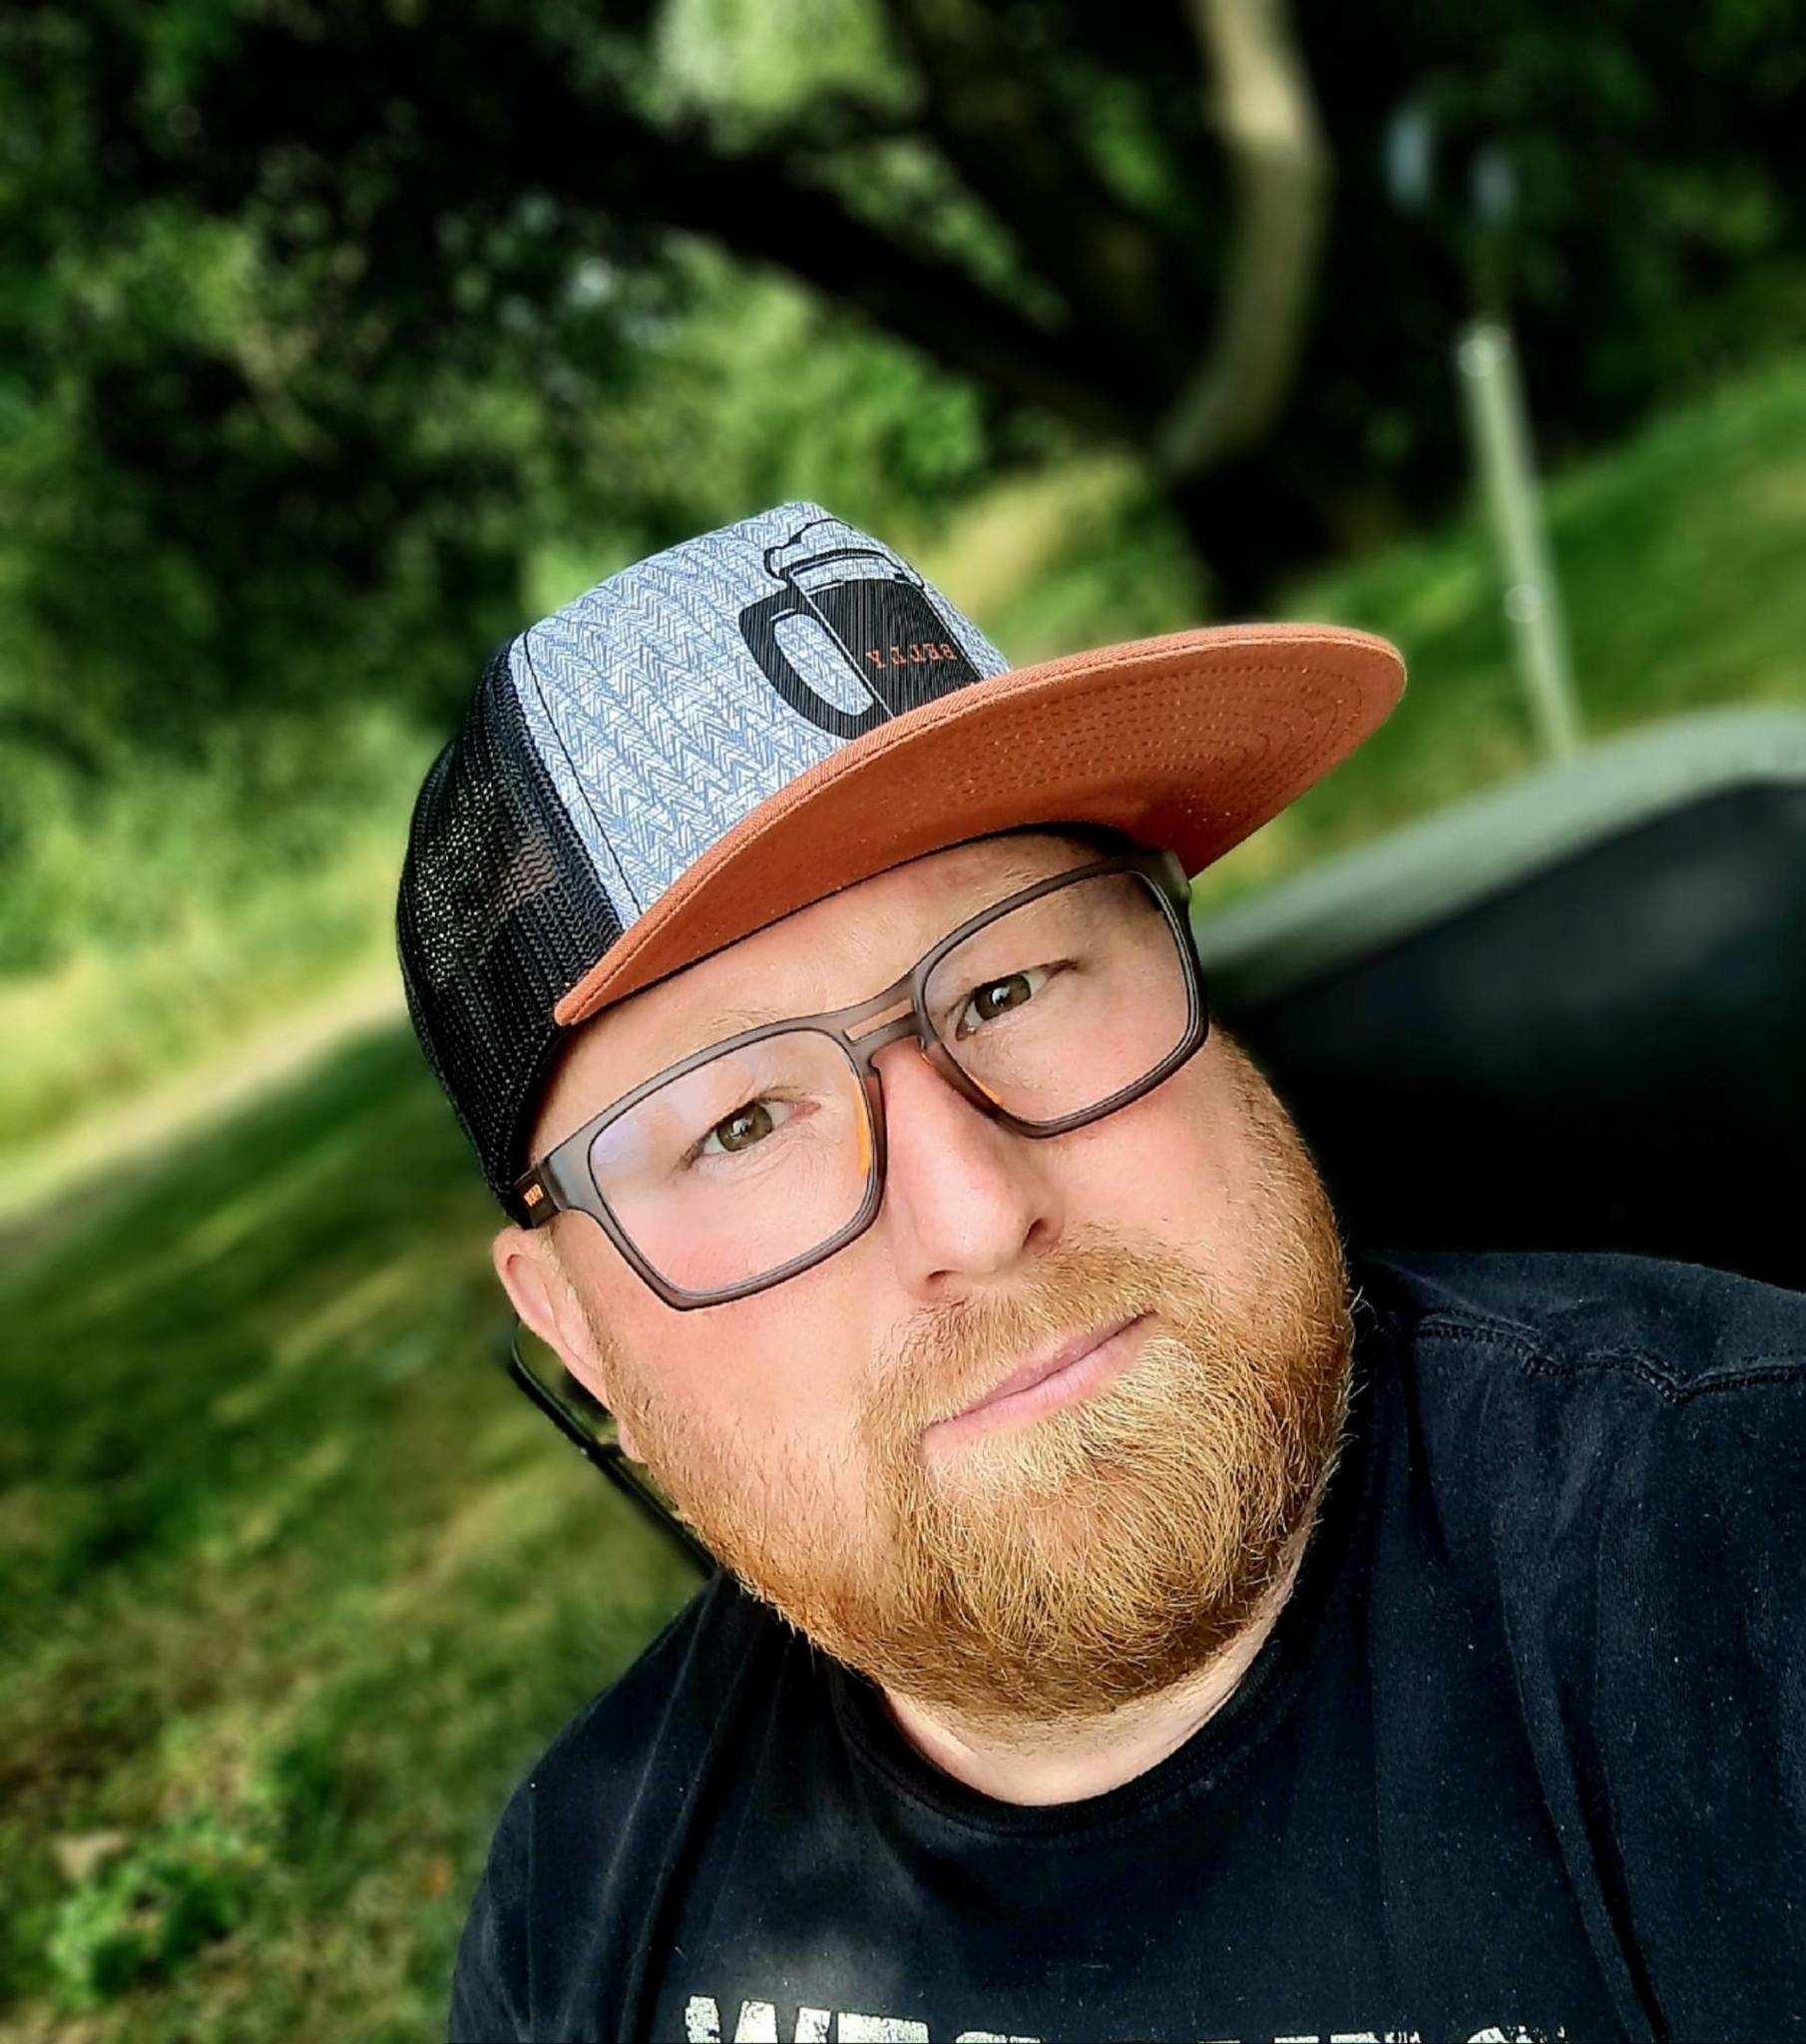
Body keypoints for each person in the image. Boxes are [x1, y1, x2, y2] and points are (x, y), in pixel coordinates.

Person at [397, 505, 1805, 2044]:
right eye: (738, 1126)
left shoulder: (1744, 1545)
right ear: (575, 1333)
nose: (973, 1210)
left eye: (1008, 984)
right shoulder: (574, 1910)